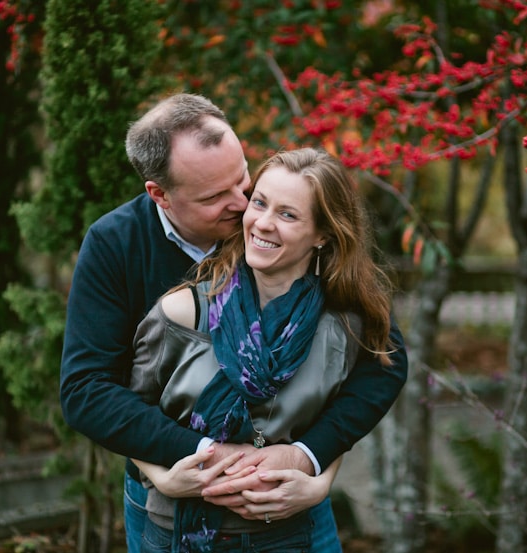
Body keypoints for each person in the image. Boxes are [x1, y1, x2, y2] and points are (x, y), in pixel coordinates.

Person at [59, 93, 408, 552]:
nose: (244, 204)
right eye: (215, 196)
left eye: (242, 178)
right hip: (169, 507)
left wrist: (313, 461)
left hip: (289, 509)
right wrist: (187, 458)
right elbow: (88, 390)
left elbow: (372, 364)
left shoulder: (283, 227)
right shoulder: (116, 245)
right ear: (160, 195)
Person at [129, 147, 397, 552]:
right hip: (174, 532)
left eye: (288, 214)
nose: (264, 223)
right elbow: (129, 415)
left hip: (286, 535)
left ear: (323, 234)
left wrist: (317, 481)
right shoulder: (182, 312)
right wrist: (163, 478)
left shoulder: (344, 329)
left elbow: (338, 422)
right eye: (259, 203)